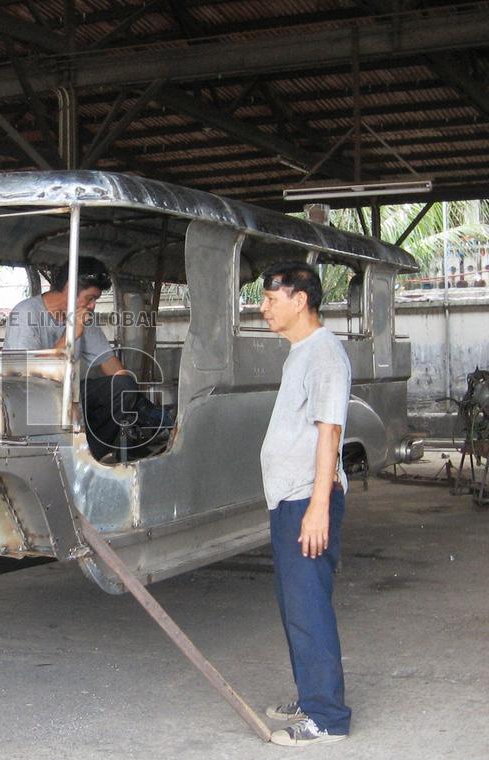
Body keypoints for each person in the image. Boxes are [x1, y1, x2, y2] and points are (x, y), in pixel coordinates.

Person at [258, 261, 352, 746]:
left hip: (306, 500)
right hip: (290, 498)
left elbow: (329, 433)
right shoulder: (301, 352)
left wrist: (318, 506)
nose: (263, 308)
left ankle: (327, 718)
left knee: (308, 608)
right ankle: (311, 694)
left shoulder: (324, 353)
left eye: (271, 299)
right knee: (295, 605)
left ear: (300, 299)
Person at [3, 257, 171, 460]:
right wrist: (70, 334)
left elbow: (109, 363)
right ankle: (78, 455)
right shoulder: (26, 314)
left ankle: (94, 453)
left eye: (96, 300)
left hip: (68, 391)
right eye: (90, 298)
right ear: (69, 288)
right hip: (30, 399)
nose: (92, 306)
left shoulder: (82, 317)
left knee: (122, 386)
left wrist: (135, 399)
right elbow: (27, 376)